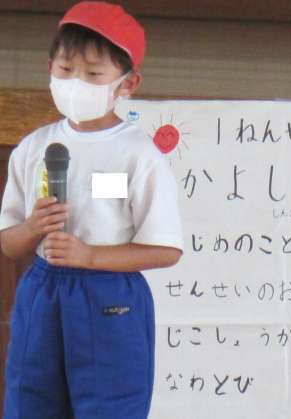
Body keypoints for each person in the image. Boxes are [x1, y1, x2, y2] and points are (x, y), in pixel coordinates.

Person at [0, 2, 183, 419]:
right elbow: (9, 244)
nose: (76, 83)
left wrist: (91, 257)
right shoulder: (33, 147)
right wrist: (32, 228)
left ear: (127, 83)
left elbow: (166, 248)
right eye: (65, 70)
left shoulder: (138, 153)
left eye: (94, 74)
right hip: (42, 289)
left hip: (109, 293)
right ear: (49, 68)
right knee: (30, 400)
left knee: (109, 406)